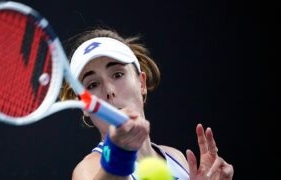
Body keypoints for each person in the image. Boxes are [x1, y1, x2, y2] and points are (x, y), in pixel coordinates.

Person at [60, 27, 234, 180]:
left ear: (141, 83)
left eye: (118, 74)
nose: (109, 90)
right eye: (92, 84)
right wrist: (120, 154)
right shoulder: (87, 171)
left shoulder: (177, 158)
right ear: (84, 106)